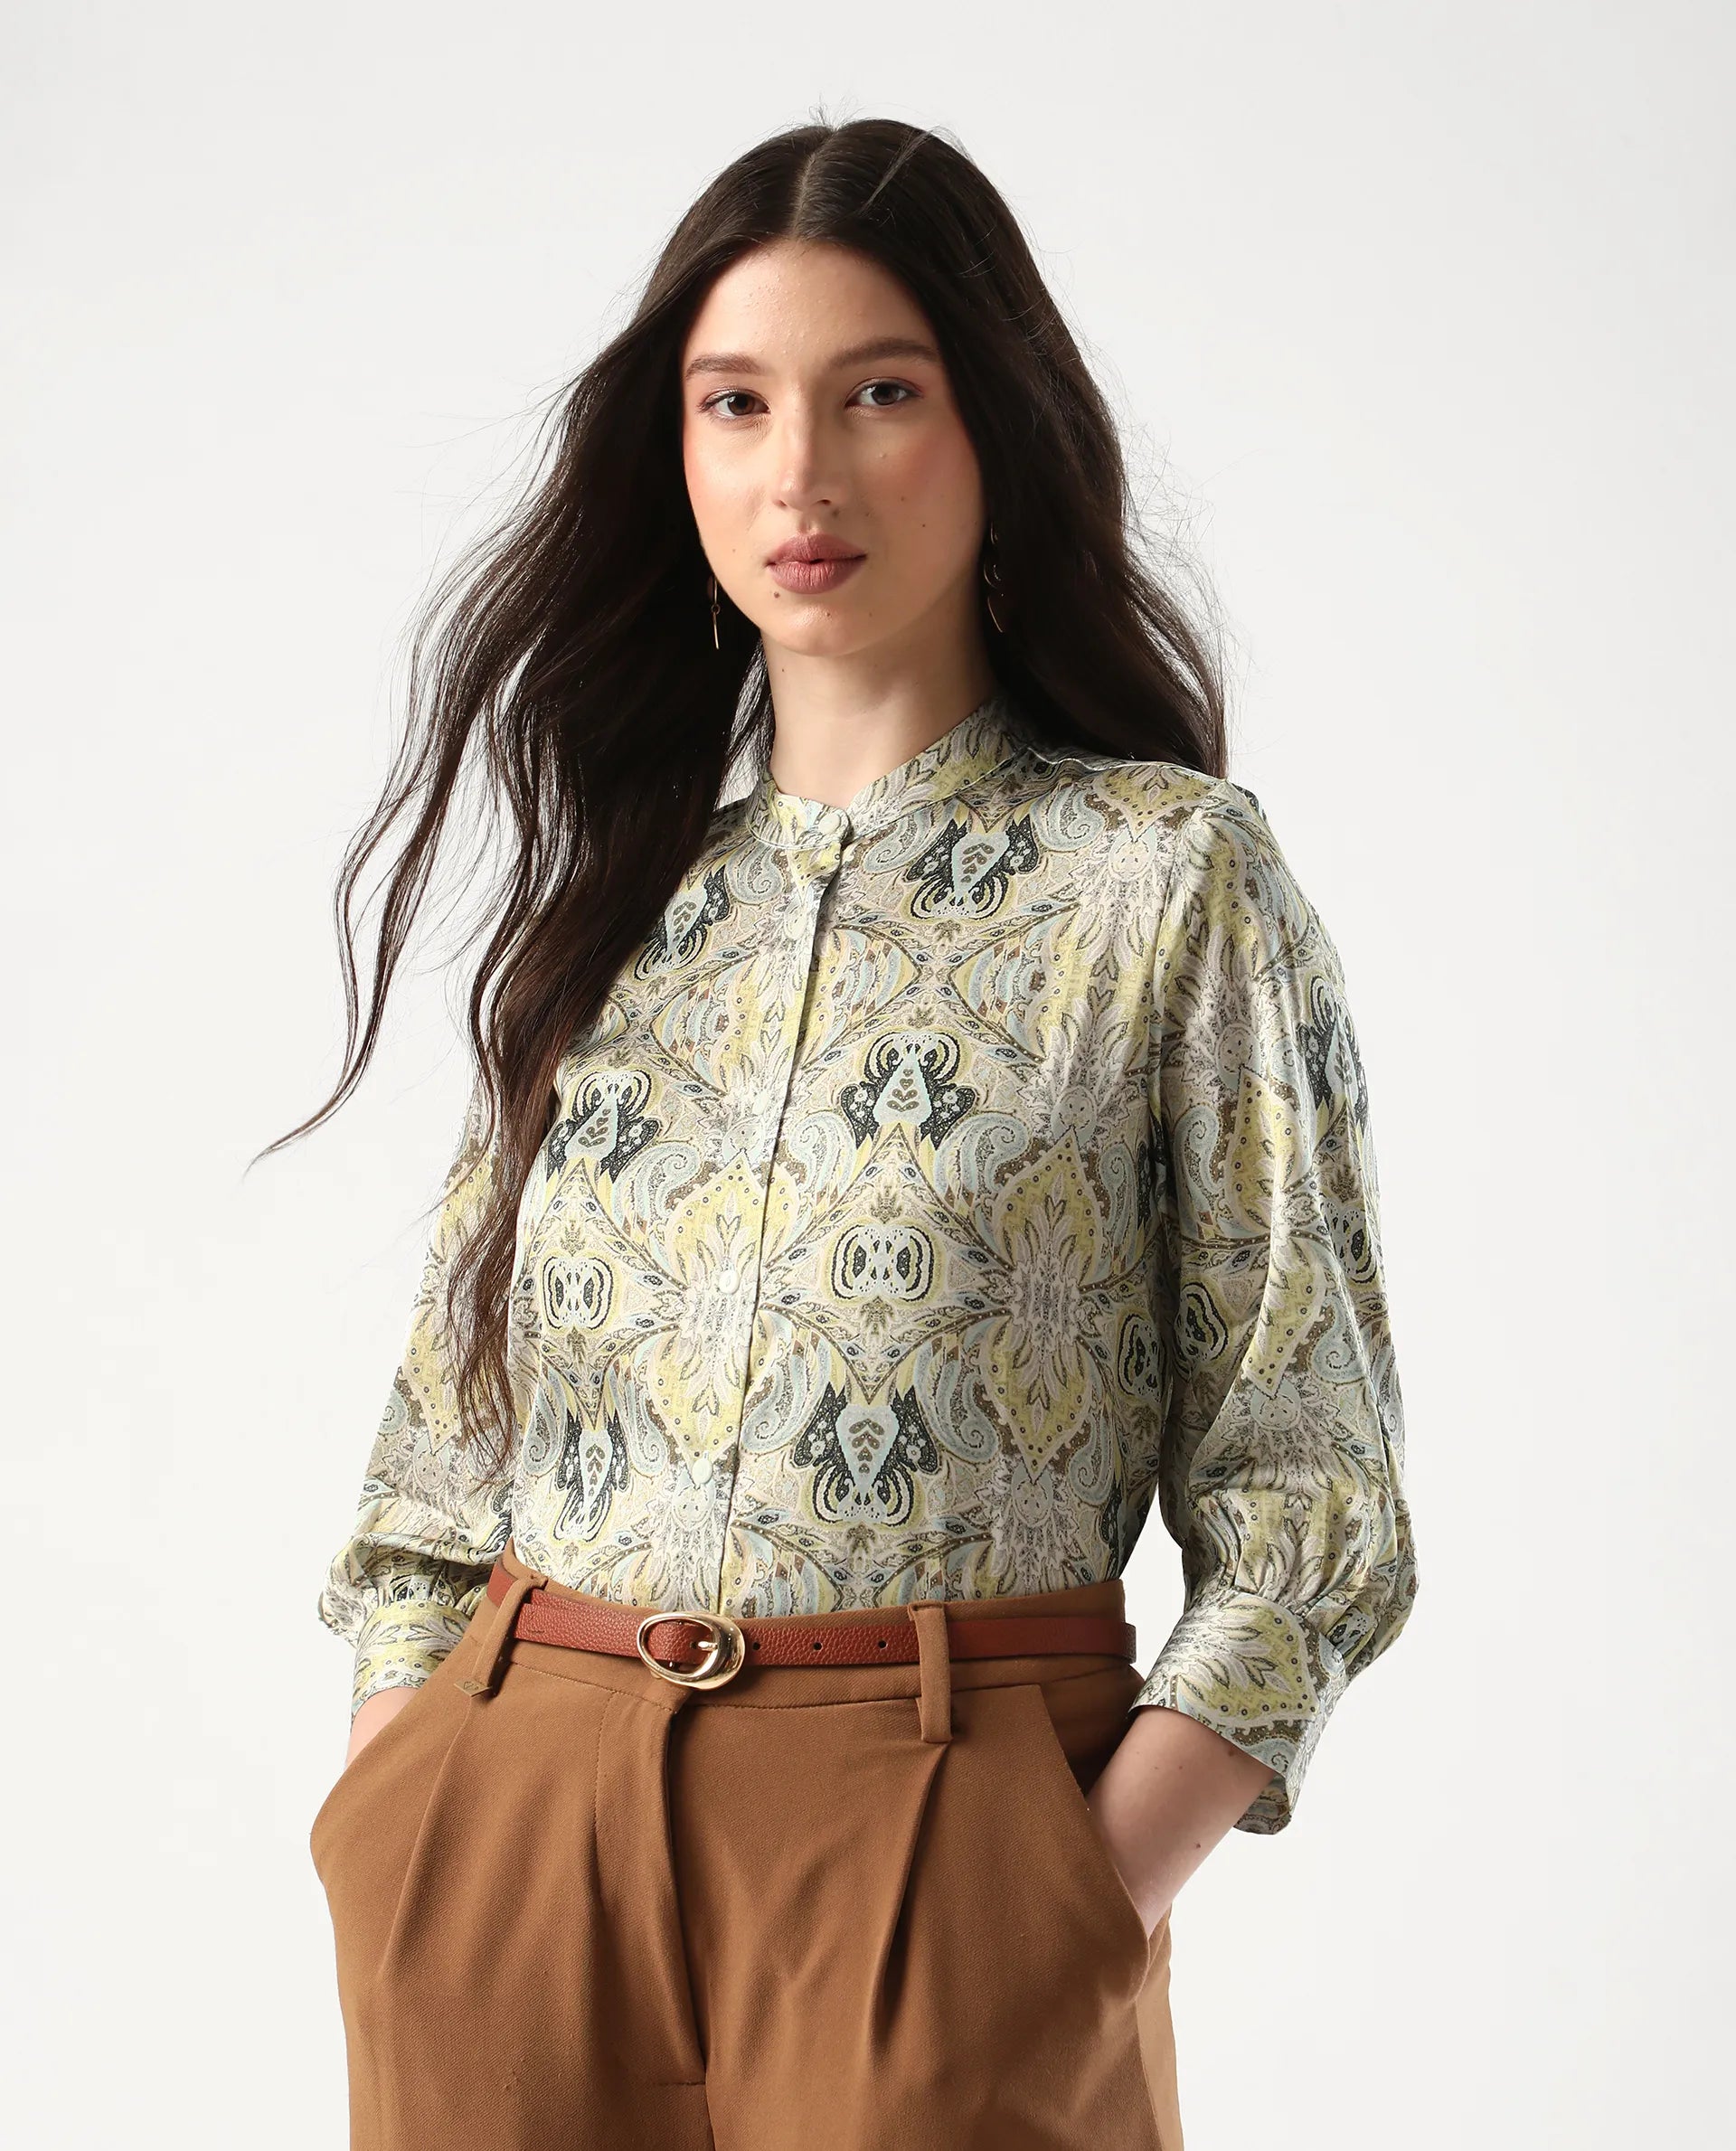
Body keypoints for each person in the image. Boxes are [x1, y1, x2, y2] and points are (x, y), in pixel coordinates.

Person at [278, 116, 1418, 2151]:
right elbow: (443, 1460)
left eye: (879, 392)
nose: (799, 473)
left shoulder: (1166, 880)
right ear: (677, 454)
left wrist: (1070, 1900)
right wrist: (402, 1824)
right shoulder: (618, 910)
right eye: (736, 403)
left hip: (937, 1831)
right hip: (516, 1833)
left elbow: (1310, 1491)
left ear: (999, 433)